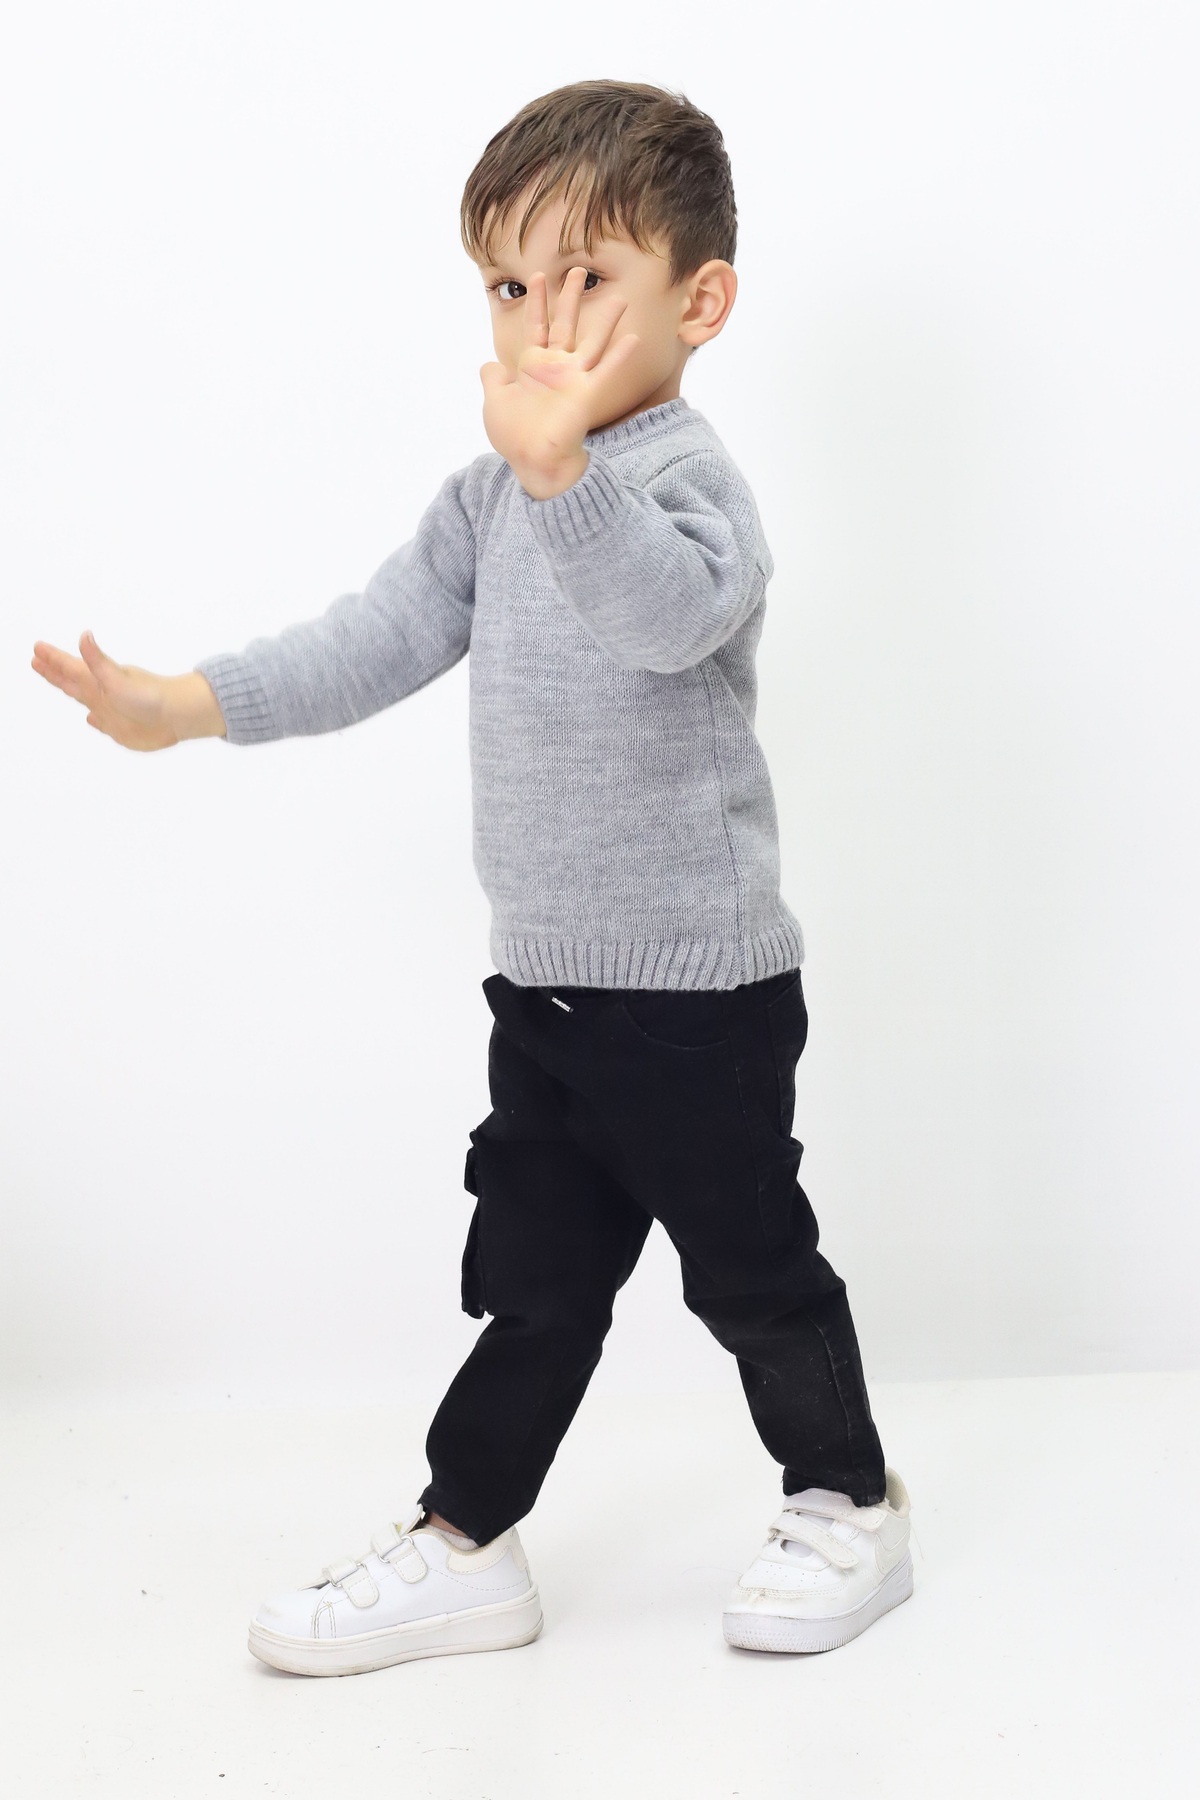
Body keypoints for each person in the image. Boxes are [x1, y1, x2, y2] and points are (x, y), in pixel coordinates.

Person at [30, 78, 913, 1677]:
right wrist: (188, 705)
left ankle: (848, 1499)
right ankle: (467, 1540)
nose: (539, 323)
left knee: (752, 1271)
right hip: (548, 994)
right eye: (510, 286)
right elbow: (374, 639)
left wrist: (567, 472)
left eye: (588, 280)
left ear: (700, 303)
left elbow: (662, 620)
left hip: (701, 998)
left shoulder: (687, 489)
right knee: (533, 1285)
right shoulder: (488, 498)